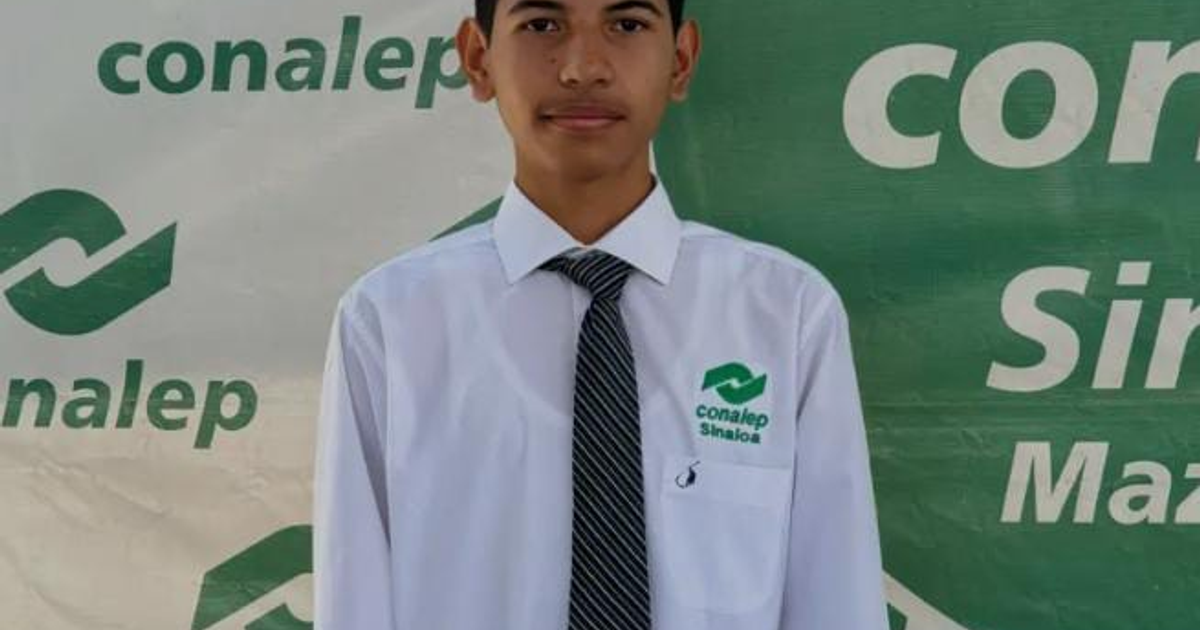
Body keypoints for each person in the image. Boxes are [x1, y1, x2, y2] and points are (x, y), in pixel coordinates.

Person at [313, 0, 888, 628]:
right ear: (479, 60)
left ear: (681, 60)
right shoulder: (391, 322)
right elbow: (354, 606)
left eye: (627, 24)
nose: (583, 67)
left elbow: (837, 600)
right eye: (541, 25)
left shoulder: (786, 313)